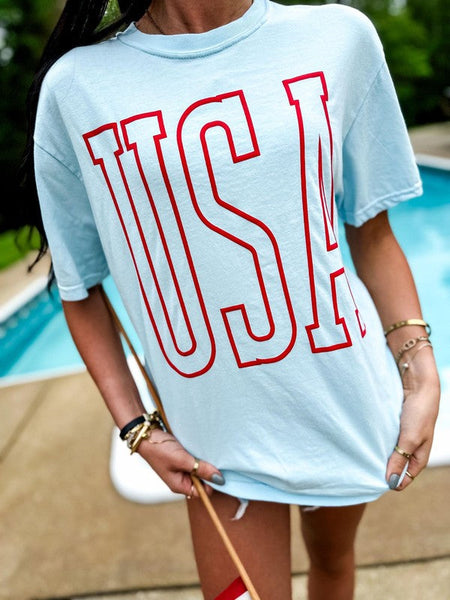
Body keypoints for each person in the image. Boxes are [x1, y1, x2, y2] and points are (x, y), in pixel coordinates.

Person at [21, 1, 440, 599]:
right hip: (215, 450)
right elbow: (77, 285)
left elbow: (372, 233)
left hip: (343, 403)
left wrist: (421, 373)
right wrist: (136, 427)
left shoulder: (339, 37)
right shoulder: (75, 88)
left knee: (333, 564)